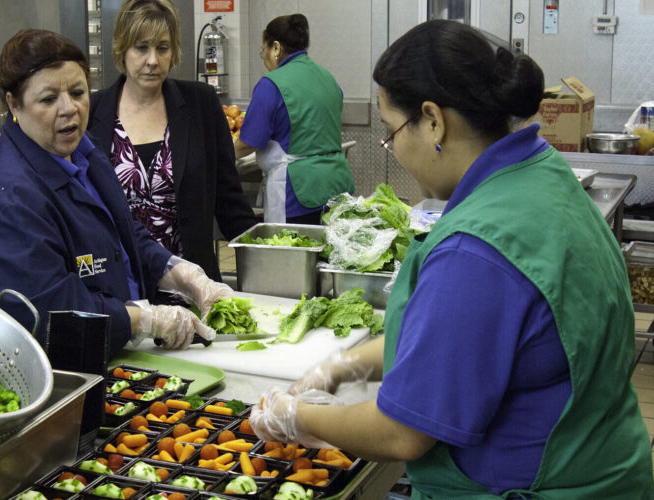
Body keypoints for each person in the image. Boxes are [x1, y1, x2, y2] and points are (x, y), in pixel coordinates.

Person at [250, 20, 654, 498]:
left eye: (392, 131)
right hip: (610, 469)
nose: (394, 148)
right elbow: (454, 339)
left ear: (434, 120)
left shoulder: (479, 249)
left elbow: (402, 432)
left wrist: (295, 416)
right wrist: (341, 367)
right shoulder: (541, 174)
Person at [0, 29, 233, 358]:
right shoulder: (9, 199)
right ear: (13, 103)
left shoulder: (82, 152)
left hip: (115, 353)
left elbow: (121, 231)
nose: (69, 109)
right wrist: (143, 319)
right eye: (48, 99)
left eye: (78, 92)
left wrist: (181, 274)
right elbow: (51, 313)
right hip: (66, 377)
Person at [88, 0, 256, 281]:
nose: (152, 60)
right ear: (122, 48)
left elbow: (230, 202)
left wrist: (268, 255)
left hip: (191, 288)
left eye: (162, 48)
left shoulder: (200, 105)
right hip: (119, 291)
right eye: (141, 47)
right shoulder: (93, 112)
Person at [233, 14, 354, 225]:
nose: (264, 58)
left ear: (276, 48)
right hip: (337, 186)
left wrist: (220, 153)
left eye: (264, 51)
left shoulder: (271, 84)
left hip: (297, 192)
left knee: (295, 254)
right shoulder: (327, 77)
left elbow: (248, 143)